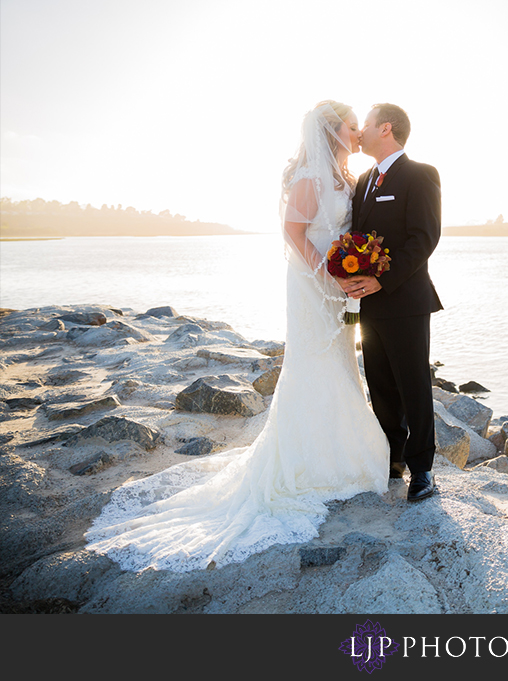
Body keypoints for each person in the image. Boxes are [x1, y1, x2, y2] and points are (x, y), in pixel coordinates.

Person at [85, 101, 390, 572]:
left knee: (341, 361)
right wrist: (325, 274)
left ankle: (345, 451)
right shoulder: (310, 176)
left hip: (338, 286)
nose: (357, 133)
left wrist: (353, 270)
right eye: (352, 127)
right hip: (312, 287)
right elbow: (293, 231)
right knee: (313, 361)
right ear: (333, 131)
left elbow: (347, 231)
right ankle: (309, 459)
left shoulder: (345, 178)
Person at [337, 104, 442, 502]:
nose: (359, 131)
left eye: (364, 124)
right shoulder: (363, 180)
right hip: (370, 305)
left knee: (413, 384)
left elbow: (424, 238)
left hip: (406, 300)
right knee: (380, 386)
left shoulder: (421, 175)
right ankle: (392, 461)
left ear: (385, 128)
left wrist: (381, 280)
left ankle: (424, 470)